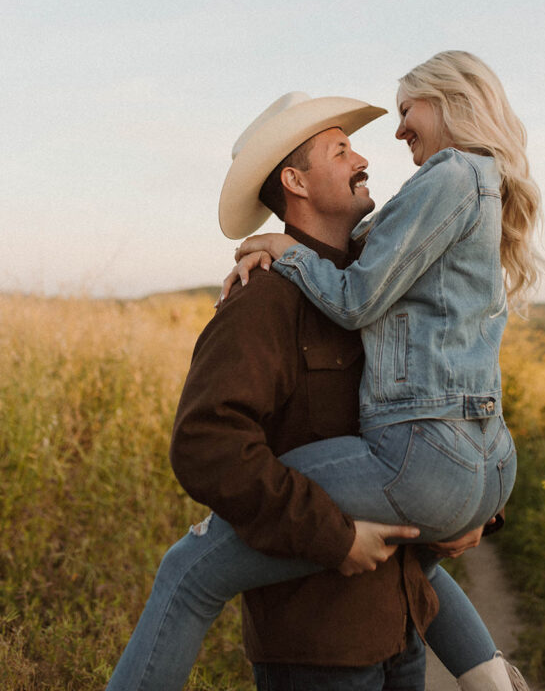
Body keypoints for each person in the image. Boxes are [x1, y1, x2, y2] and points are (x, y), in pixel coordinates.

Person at [106, 90, 504, 691]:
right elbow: (207, 445)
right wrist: (334, 537)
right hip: (318, 650)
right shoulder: (264, 298)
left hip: (401, 632)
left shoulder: (384, 285)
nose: (363, 160)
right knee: (185, 571)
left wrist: (473, 510)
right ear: (295, 180)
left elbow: (453, 386)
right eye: (341, 150)